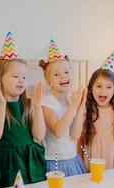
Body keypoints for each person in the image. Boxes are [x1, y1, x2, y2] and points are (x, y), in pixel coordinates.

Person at [0, 32, 46, 188]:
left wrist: (37, 108)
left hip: (29, 160)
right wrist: (2, 105)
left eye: (24, 77)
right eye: (16, 76)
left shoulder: (29, 104)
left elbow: (39, 135)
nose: (21, 81)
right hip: (6, 164)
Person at [79, 50, 114, 170]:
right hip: (92, 157)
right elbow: (80, 139)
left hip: (113, 157)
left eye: (108, 87)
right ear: (91, 88)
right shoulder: (85, 110)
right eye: (99, 86)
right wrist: (79, 160)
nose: (103, 91)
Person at [39, 39, 87, 176]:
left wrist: (80, 107)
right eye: (56, 74)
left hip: (73, 160)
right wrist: (73, 107)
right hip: (54, 164)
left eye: (66, 72)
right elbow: (58, 131)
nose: (63, 76)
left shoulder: (70, 102)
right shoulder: (47, 102)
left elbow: (74, 135)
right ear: (49, 82)